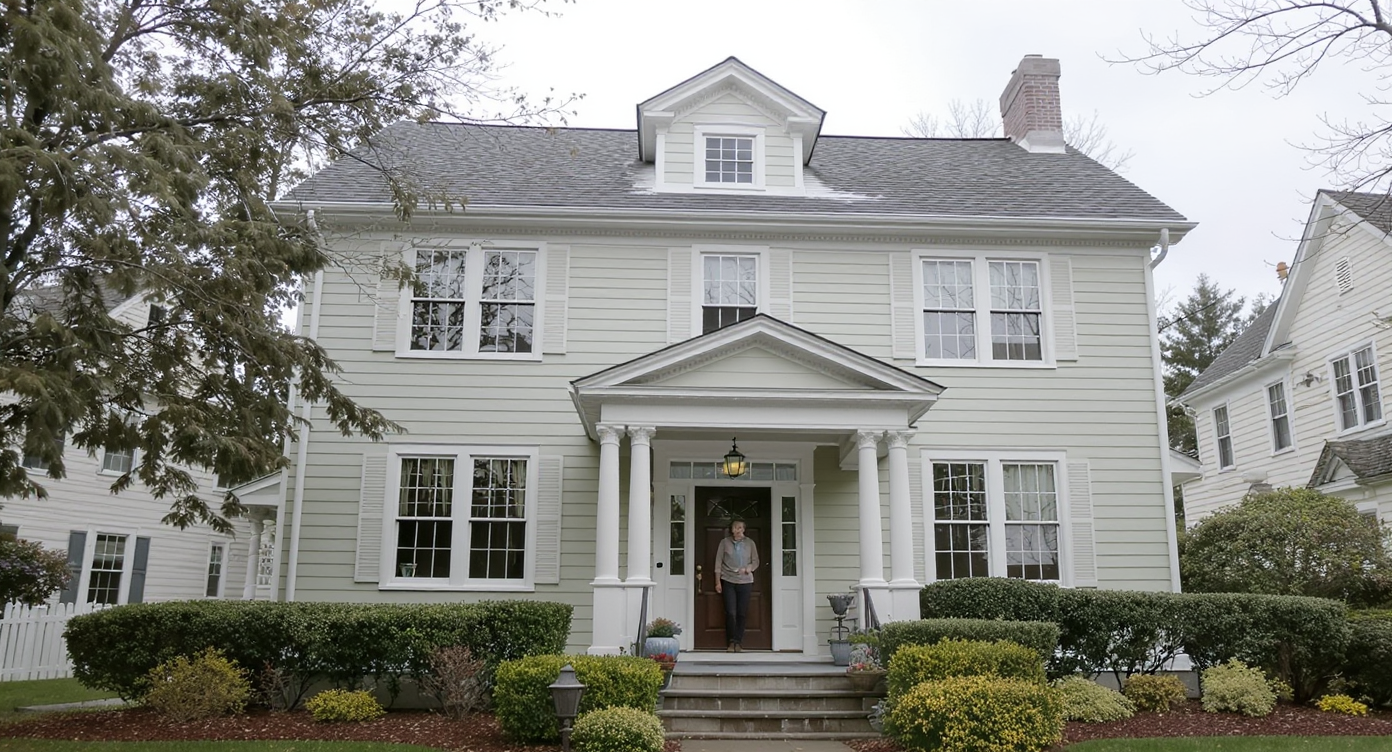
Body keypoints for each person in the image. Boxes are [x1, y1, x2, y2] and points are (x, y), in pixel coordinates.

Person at [713, 518, 759, 652]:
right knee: (731, 613)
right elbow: (718, 563)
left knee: (741, 613)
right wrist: (717, 582)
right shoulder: (724, 543)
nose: (737, 530)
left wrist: (750, 568)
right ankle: (731, 641)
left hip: (745, 582)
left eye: (740, 527)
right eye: (735, 527)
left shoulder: (750, 543)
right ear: (731, 529)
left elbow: (755, 561)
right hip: (728, 580)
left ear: (744, 529)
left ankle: (738, 642)